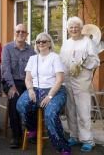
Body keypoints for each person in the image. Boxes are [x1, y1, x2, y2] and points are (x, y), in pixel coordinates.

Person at [16, 32, 70, 155]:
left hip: (55, 91)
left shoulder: (55, 57)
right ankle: (32, 128)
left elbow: (60, 79)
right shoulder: (32, 59)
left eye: (44, 41)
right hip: (35, 89)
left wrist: (50, 96)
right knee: (21, 105)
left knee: (50, 114)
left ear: (49, 43)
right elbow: (28, 78)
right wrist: (30, 90)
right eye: (38, 41)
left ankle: (63, 147)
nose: (41, 43)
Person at [60, 17, 100, 152]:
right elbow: (61, 61)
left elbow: (95, 61)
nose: (74, 29)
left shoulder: (87, 42)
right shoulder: (66, 43)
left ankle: (88, 140)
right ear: (68, 29)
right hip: (68, 80)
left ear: (81, 28)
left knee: (83, 110)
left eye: (76, 26)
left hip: (82, 81)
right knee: (70, 109)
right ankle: (74, 136)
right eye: (71, 27)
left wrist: (81, 64)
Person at [1, 24, 35, 148]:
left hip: (26, 81)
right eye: (18, 31)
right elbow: (5, 69)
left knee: (33, 98)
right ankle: (16, 135)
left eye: (23, 32)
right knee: (14, 99)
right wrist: (11, 86)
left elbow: (34, 71)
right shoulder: (7, 48)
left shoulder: (32, 50)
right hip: (10, 81)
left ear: (27, 35)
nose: (20, 33)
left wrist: (31, 87)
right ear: (14, 33)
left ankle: (31, 131)